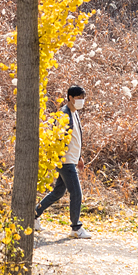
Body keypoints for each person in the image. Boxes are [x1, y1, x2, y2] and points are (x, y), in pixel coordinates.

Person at [33, 85, 91, 240]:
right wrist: (59, 158)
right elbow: (57, 137)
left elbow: (75, 137)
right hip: (65, 161)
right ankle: (76, 228)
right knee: (76, 193)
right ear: (70, 98)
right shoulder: (63, 114)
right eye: (78, 98)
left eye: (83, 98)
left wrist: (79, 157)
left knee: (58, 192)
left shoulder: (74, 113)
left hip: (71, 159)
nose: (81, 101)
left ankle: (34, 215)